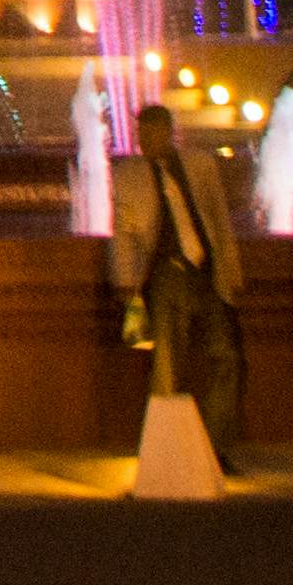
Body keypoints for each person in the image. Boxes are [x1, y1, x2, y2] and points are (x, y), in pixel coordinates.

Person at [113, 90, 250, 467]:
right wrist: (125, 282)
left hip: (207, 274)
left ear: (169, 132)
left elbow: (219, 220)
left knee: (227, 359)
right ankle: (168, 452)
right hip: (164, 276)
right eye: (141, 135)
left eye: (152, 134)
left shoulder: (199, 166)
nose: (145, 142)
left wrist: (232, 272)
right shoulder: (128, 175)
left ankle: (214, 447)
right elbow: (122, 233)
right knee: (168, 368)